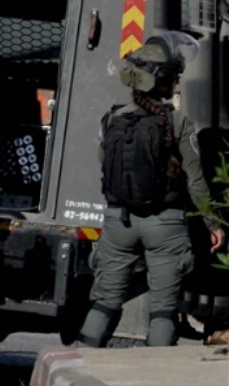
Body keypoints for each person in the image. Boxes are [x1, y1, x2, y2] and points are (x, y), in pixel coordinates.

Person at [77, 32, 227, 348]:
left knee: (104, 304)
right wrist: (212, 223)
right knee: (162, 312)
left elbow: (104, 162)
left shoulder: (112, 117)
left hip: (119, 223)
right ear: (164, 82)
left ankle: (76, 364)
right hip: (164, 226)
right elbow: (195, 179)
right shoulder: (178, 121)